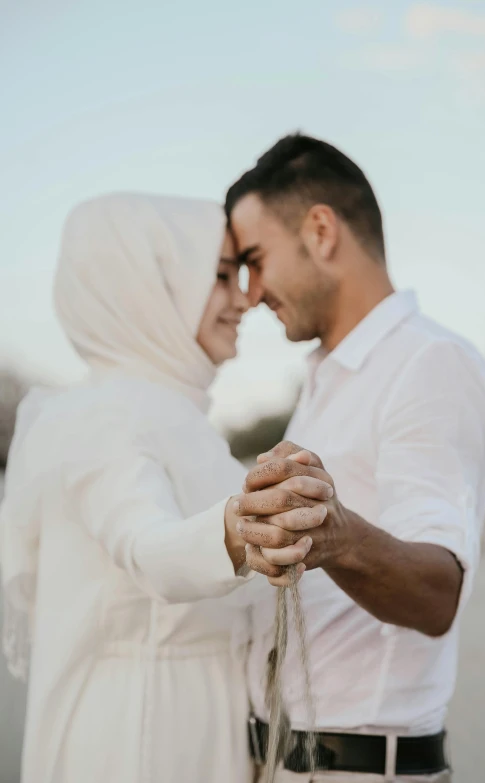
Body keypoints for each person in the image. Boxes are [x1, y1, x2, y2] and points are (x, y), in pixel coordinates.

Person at [0, 193, 326, 783]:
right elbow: (145, 545)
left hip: (202, 731)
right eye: (221, 277)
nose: (245, 299)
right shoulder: (100, 416)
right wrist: (234, 533)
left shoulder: (180, 422)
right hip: (136, 739)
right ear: (148, 289)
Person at [225, 134, 485, 782]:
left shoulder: (428, 364)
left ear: (321, 230)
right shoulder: (329, 377)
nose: (250, 290)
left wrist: (335, 536)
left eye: (256, 259)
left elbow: (439, 594)